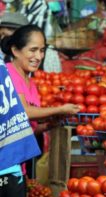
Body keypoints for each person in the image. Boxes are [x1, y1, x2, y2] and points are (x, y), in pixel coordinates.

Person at [0, 24, 80, 177]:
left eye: (42, 50)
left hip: (18, 164)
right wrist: (60, 109)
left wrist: (48, 125)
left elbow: (27, 128)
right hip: (5, 164)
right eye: (33, 50)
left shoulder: (30, 83)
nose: (38, 57)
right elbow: (23, 111)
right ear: (15, 50)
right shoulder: (8, 74)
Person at [0, 55, 40, 197]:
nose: (39, 56)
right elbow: (22, 113)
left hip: (10, 163)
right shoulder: (8, 71)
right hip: (10, 160)